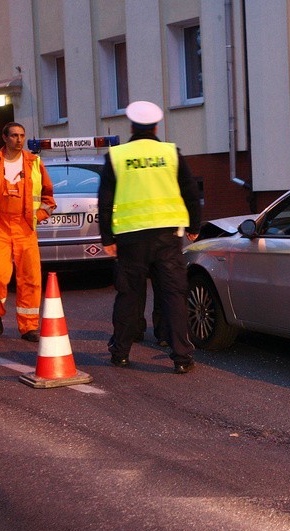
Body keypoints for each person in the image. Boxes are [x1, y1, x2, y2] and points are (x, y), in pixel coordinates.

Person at [98, 100, 201, 374]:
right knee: (173, 296)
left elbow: (105, 200)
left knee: (129, 296)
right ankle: (182, 357)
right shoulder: (171, 153)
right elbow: (191, 191)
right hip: (167, 237)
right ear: (156, 126)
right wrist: (194, 225)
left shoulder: (117, 156)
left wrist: (107, 238)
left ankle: (120, 353)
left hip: (130, 238)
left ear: (132, 126)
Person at [0, 122, 56, 342]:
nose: (19, 139)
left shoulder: (34, 163)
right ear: (4, 138)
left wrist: (38, 216)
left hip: (25, 228)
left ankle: (28, 327)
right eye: (14, 135)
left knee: (30, 278)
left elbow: (48, 199)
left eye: (22, 135)